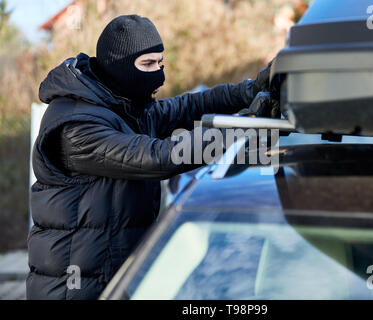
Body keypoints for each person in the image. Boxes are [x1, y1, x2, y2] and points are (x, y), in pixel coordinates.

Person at [26, 14, 276, 300]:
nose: (158, 74)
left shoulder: (124, 106)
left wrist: (248, 91)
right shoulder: (76, 126)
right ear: (117, 66)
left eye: (160, 63)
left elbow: (189, 105)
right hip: (73, 285)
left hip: (113, 274)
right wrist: (242, 130)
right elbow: (156, 157)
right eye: (147, 64)